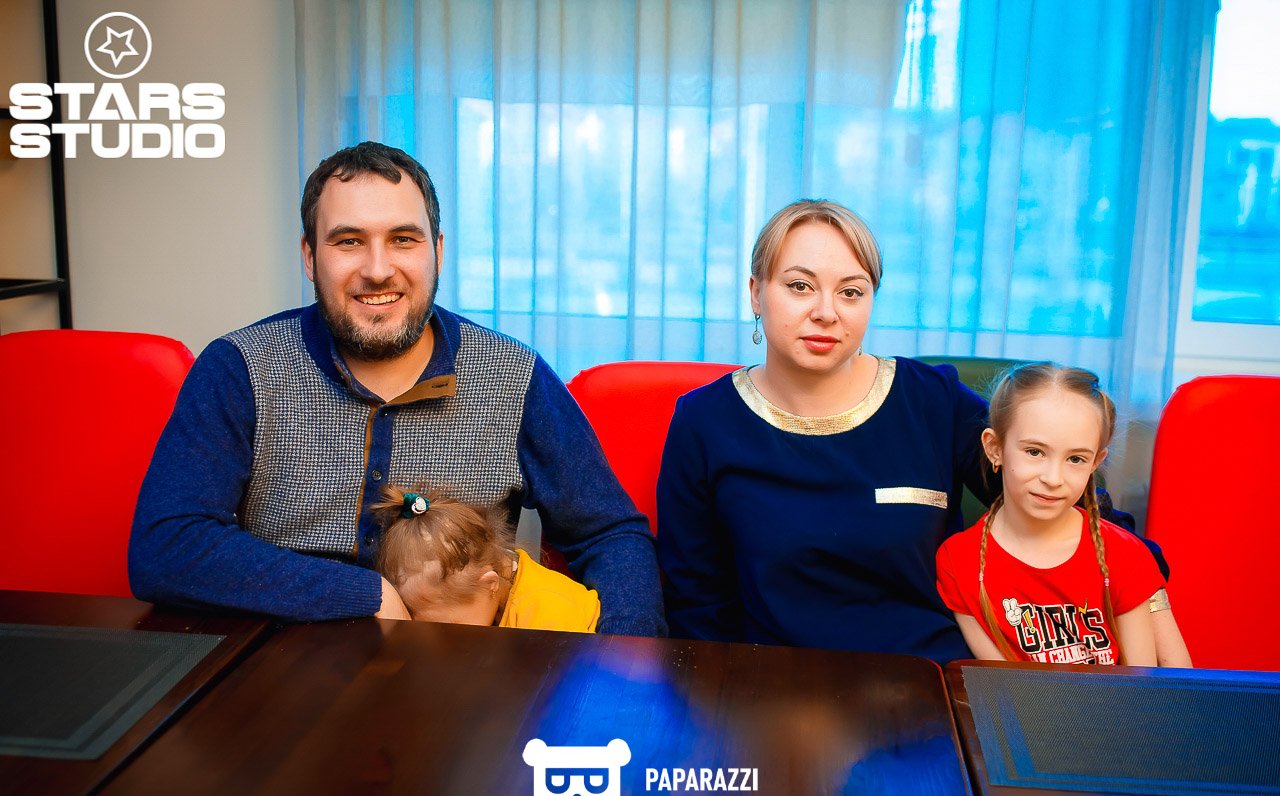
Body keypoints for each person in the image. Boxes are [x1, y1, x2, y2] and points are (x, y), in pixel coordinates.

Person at [129, 141, 664, 636]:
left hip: (455, 677)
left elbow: (610, 535)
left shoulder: (514, 374)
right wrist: (364, 593)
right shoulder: (239, 367)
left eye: (403, 240)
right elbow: (165, 546)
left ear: (437, 251)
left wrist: (623, 666)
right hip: (274, 666)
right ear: (310, 256)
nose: (378, 269)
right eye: (349, 241)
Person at [657, 199, 1185, 664]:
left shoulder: (932, 400)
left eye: (851, 292)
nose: (826, 312)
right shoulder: (704, 421)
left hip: (931, 681)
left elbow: (1070, 500)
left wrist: (1147, 589)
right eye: (799, 286)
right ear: (756, 293)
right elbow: (696, 603)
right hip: (778, 690)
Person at [935, 363, 1163, 665]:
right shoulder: (958, 563)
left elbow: (1142, 681)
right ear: (994, 448)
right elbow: (999, 681)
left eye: (1076, 459)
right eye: (1035, 452)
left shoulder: (1124, 554)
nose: (1053, 478)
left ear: (1096, 462)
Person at [372, 485, 599, 632]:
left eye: (450, 629)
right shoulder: (490, 597)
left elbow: (553, 687)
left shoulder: (547, 616)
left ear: (490, 584)